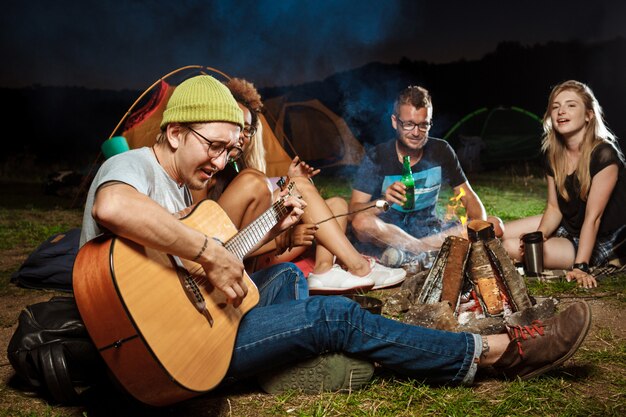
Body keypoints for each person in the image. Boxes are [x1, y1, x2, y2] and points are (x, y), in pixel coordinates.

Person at [79, 74, 592, 397]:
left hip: (194, 322)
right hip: (163, 349)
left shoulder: (184, 188)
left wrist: (270, 233)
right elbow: (113, 206)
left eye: (229, 152)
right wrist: (210, 253)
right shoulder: (132, 166)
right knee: (335, 315)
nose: (219, 163)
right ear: (173, 133)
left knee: (282, 278)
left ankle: (283, 358)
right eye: (213, 147)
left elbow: (199, 264)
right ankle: (493, 353)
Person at [194, 77, 406, 294]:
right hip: (241, 258)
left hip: (258, 243)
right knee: (281, 184)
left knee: (336, 203)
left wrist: (289, 184)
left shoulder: (235, 166)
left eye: (248, 130)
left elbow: (257, 213)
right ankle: (359, 267)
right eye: (237, 126)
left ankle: (323, 270)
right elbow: (208, 246)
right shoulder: (204, 170)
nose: (241, 137)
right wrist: (281, 239)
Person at [501, 80, 626, 288]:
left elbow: (593, 218)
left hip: (602, 238)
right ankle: (435, 245)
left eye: (571, 105)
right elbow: (553, 207)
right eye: (555, 106)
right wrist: (540, 236)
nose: (561, 111)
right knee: (501, 235)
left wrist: (581, 267)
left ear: (589, 114)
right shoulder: (554, 154)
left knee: (512, 248)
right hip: (568, 224)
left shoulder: (604, 154)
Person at [349, 85, 494, 262]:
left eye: (423, 125)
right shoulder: (377, 156)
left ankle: (411, 252)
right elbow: (352, 213)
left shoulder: (441, 150)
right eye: (409, 124)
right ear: (395, 122)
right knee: (362, 223)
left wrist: (478, 225)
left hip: (429, 231)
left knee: (494, 225)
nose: (416, 133)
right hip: (388, 233)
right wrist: (383, 201)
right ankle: (425, 252)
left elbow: (469, 197)